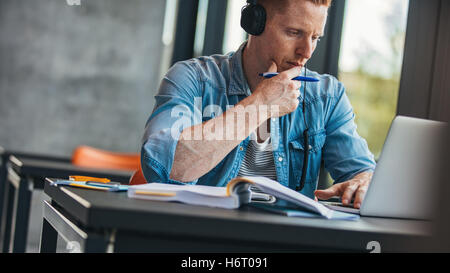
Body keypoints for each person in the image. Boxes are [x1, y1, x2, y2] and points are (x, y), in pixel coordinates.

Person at [141, 0, 376, 209]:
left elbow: (362, 173)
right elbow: (166, 169)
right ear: (254, 23)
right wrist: (261, 104)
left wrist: (364, 182)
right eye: (294, 32)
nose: (306, 52)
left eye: (315, 38)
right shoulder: (192, 78)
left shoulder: (327, 96)